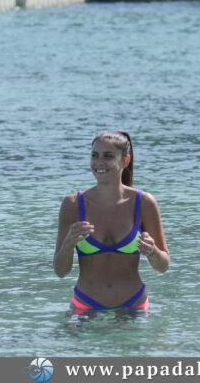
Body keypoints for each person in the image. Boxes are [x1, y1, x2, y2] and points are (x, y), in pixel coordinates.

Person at [53, 130, 169, 313]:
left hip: (134, 305)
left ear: (125, 160)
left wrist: (153, 251)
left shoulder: (144, 203)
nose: (99, 162)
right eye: (94, 155)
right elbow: (61, 271)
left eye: (108, 156)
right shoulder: (73, 204)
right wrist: (68, 244)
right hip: (85, 305)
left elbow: (163, 267)